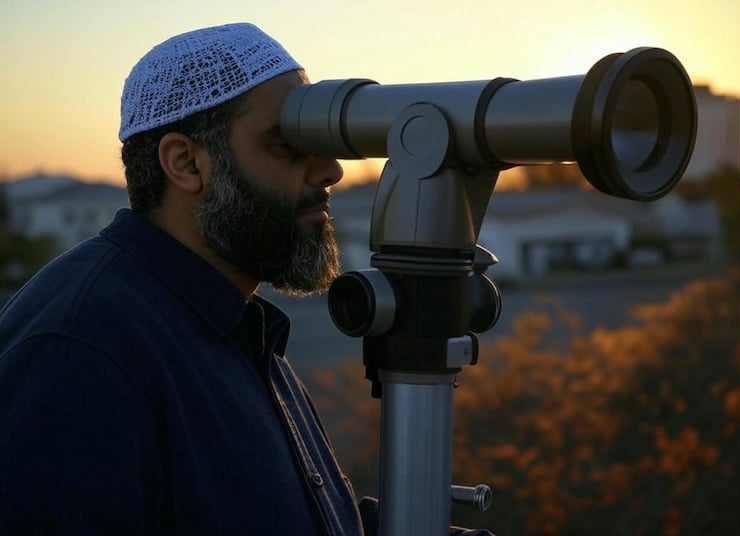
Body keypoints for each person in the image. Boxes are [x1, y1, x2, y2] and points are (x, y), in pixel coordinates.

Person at [0, 22, 493, 535]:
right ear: (186, 162)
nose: (330, 170)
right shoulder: (79, 348)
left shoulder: (228, 322)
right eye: (288, 144)